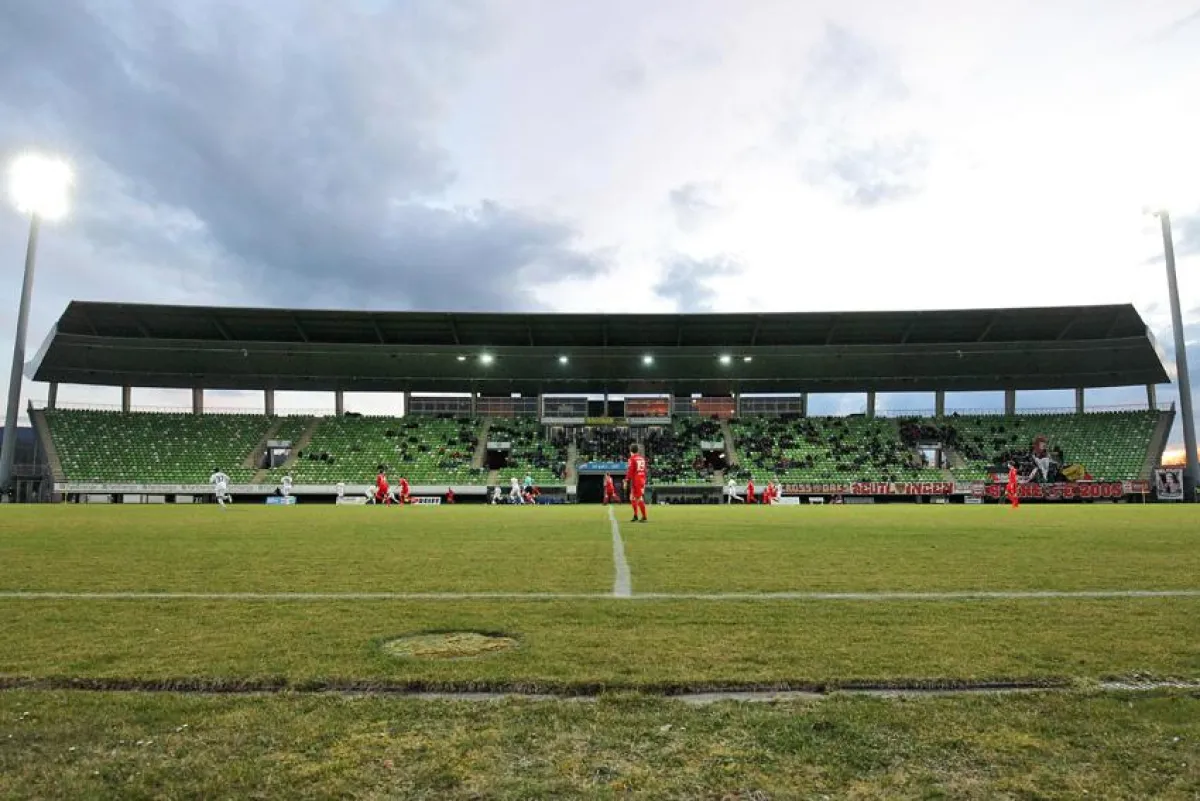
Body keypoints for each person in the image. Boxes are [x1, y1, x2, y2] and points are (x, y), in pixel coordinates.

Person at [624, 443, 648, 523]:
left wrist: (626, 480)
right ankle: (635, 515)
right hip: (642, 479)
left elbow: (630, 471)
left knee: (638, 498)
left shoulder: (632, 459)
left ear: (630, 451)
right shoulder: (642, 458)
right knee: (632, 497)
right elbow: (645, 470)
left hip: (636, 480)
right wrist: (644, 481)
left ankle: (644, 516)